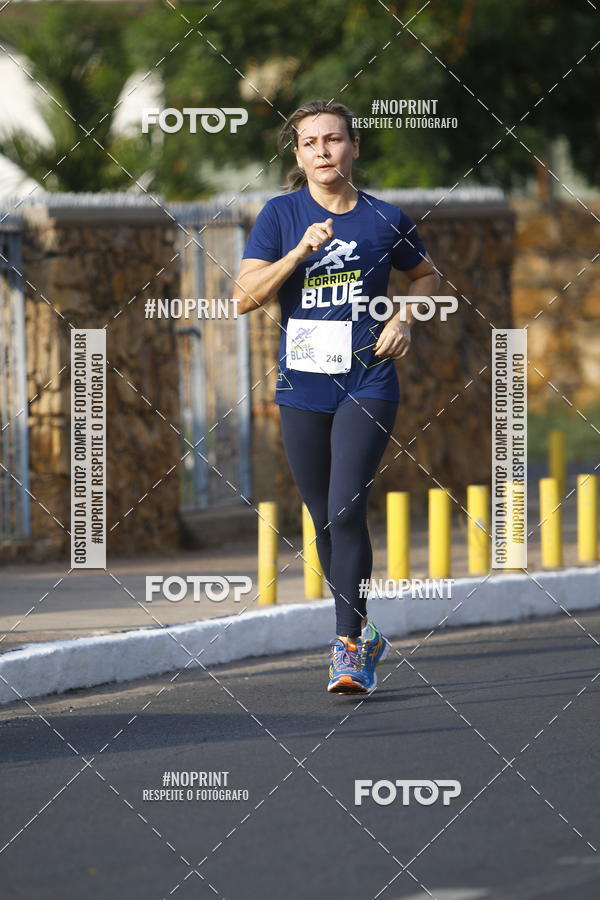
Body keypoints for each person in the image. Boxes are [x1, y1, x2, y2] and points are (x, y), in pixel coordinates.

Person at [234, 99, 440, 694]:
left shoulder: (384, 216)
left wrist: (404, 317)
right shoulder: (280, 214)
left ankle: (348, 646)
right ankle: (364, 629)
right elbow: (244, 297)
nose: (323, 151)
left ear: (354, 148)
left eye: (333, 140)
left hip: (366, 380)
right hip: (303, 383)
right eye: (309, 143)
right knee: (322, 515)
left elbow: (427, 276)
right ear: (298, 155)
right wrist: (297, 253)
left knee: (348, 505)